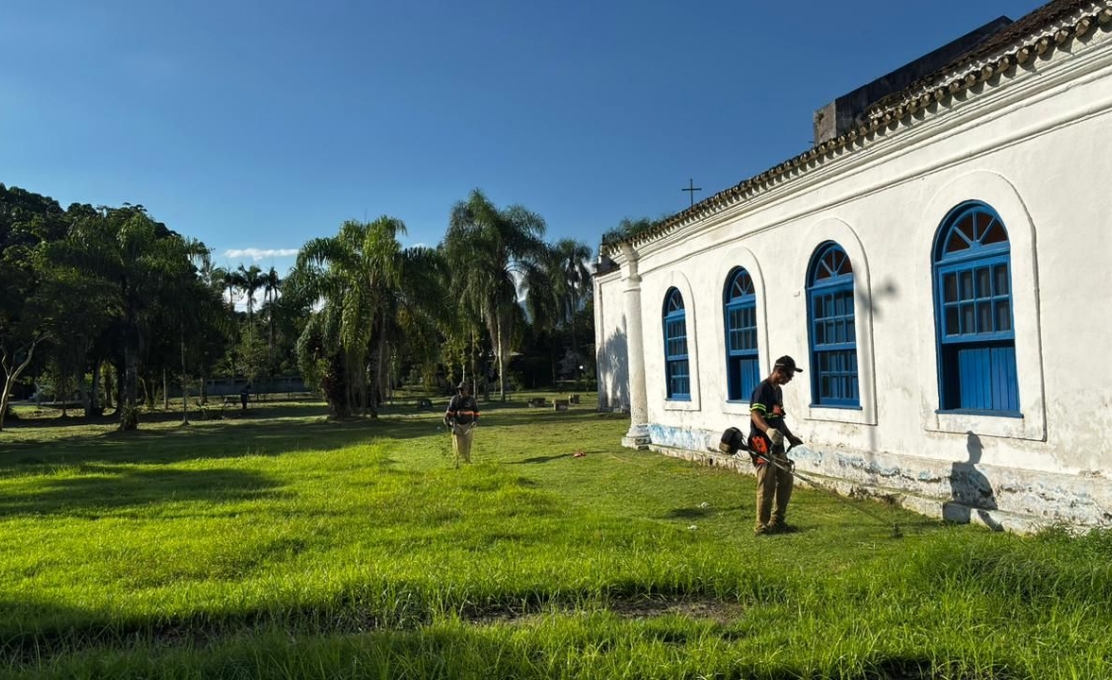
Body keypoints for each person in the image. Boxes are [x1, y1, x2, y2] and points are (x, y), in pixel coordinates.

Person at [749, 356, 805, 535]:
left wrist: (789, 436)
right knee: (767, 484)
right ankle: (761, 526)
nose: (789, 379)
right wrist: (768, 430)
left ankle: (777, 521)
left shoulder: (778, 391)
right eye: (788, 375)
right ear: (779, 371)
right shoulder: (761, 390)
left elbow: (779, 417)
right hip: (762, 445)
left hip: (778, 446)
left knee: (786, 481)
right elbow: (755, 415)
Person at [444, 381, 480, 465]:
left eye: (462, 389)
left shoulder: (472, 400)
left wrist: (475, 421)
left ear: (467, 390)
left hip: (468, 424)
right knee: (457, 443)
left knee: (467, 442)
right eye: (459, 389)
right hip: (457, 424)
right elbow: (449, 411)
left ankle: (467, 459)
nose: (461, 391)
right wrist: (447, 419)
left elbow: (477, 413)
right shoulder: (454, 399)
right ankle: (457, 460)